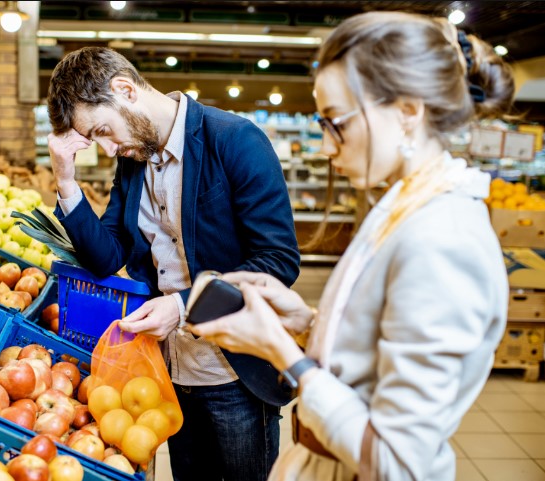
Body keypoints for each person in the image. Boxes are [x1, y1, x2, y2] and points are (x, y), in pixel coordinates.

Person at [190, 11, 513, 481]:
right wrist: (305, 322)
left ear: (407, 111)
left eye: (336, 122)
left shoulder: (442, 238)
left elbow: (396, 462)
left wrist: (284, 353)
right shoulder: (406, 205)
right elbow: (383, 346)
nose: (325, 146)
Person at [46, 46, 300, 481]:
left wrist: (181, 306)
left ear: (125, 90)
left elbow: (277, 260)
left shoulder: (234, 140)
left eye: (103, 130)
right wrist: (66, 183)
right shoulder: (134, 161)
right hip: (167, 373)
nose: (108, 149)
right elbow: (108, 256)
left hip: (232, 371)